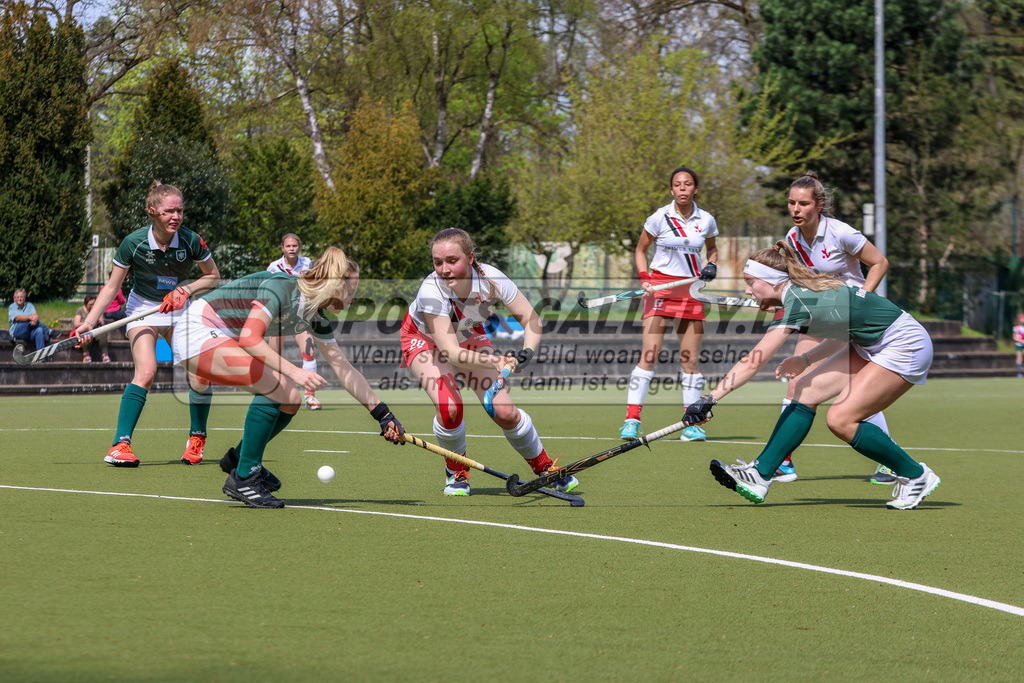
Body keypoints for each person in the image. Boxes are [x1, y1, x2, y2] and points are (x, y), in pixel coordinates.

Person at [683, 241, 940, 510]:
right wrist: (805, 359)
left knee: (841, 419)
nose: (747, 290)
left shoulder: (796, 302)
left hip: (905, 344)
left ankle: (915, 475)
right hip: (871, 342)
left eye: (751, 282)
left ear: (772, 282)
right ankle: (760, 475)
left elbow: (753, 362)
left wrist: (709, 398)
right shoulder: (798, 296)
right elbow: (844, 334)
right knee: (805, 389)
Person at [171, 246, 405, 508]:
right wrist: (295, 371)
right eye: (350, 292)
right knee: (277, 386)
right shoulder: (283, 286)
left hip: (221, 337)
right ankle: (245, 477)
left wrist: (383, 415)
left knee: (290, 398)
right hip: (198, 332)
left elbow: (343, 368)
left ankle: (239, 460)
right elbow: (250, 337)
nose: (352, 299)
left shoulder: (315, 314)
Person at [401, 227, 578, 496]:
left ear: (470, 258)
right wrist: (495, 360)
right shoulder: (431, 291)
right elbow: (450, 352)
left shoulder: (491, 279)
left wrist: (527, 352)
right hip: (424, 339)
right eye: (438, 262)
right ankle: (456, 471)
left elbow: (532, 320)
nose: (444, 269)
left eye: (452, 261)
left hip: (468, 333)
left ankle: (545, 468)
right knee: (449, 407)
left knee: (505, 412)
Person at [74, 181, 221, 467]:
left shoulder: (191, 240)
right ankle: (120, 445)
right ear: (152, 211)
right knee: (147, 371)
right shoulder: (134, 242)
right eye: (169, 211)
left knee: (200, 374)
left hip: (179, 309)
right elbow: (110, 287)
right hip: (143, 308)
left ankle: (197, 437)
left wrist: (186, 290)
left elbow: (212, 276)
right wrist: (89, 323)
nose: (176, 217)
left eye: (180, 211)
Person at [774, 172, 892, 485]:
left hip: (849, 316)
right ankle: (782, 462)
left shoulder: (841, 233)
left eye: (803, 203)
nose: (796, 209)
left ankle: (889, 458)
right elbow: (804, 278)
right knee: (795, 379)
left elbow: (880, 262)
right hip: (821, 313)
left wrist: (861, 299)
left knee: (850, 394)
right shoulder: (793, 237)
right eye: (791, 203)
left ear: (819, 205)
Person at [619, 165, 719, 442]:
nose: (683, 188)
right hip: (661, 288)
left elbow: (711, 248)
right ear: (672, 189)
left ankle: (690, 424)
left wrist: (711, 265)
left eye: (688, 184)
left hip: (691, 291)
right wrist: (644, 278)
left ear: (695, 189)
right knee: (649, 354)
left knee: (689, 360)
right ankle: (631, 419)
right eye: (678, 184)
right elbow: (640, 250)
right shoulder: (659, 218)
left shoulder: (706, 219)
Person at [267, 233, 323, 410]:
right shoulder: (274, 267)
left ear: (299, 247)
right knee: (272, 357)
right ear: (283, 248)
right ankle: (274, 394)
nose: (292, 249)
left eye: (295, 246)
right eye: (288, 246)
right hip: (279, 318)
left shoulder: (307, 263)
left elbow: (313, 284)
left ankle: (310, 396)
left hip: (299, 317)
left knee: (309, 350)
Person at [73, 295, 111, 362]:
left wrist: (99, 320)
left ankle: (105, 355)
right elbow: (77, 323)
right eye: (90, 304)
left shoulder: (96, 310)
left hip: (95, 330)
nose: (92, 306)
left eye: (94, 304)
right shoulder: (80, 310)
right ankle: (86, 354)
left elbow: (102, 322)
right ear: (86, 304)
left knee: (103, 333)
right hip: (85, 331)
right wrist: (87, 324)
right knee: (86, 335)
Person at [1013, 313, 1024, 378]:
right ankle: (1019, 372)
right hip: (1019, 345)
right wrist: (1021, 341)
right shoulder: (1016, 328)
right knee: (1019, 358)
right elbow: (1015, 337)